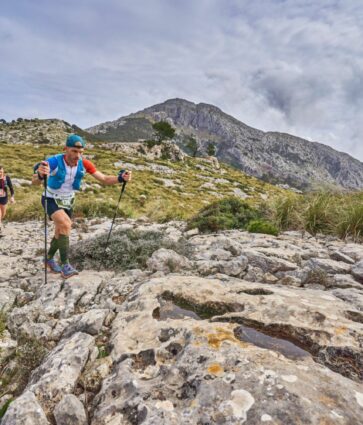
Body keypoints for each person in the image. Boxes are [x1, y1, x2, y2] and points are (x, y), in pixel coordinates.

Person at [32, 134, 132, 279]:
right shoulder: (53, 162)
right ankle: (65, 265)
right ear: (65, 149)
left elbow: (104, 179)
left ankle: (48, 259)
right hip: (50, 198)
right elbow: (35, 181)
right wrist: (40, 176)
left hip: (68, 201)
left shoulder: (84, 164)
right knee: (66, 224)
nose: (78, 155)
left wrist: (120, 178)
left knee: (59, 232)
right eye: (74, 151)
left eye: (81, 152)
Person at [0, 165, 15, 234]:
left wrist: (12, 197)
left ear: (3, 171)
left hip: (4, 198)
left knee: (3, 214)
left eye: (1, 172)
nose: (0, 173)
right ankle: (1, 229)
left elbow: (11, 189)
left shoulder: (7, 178)